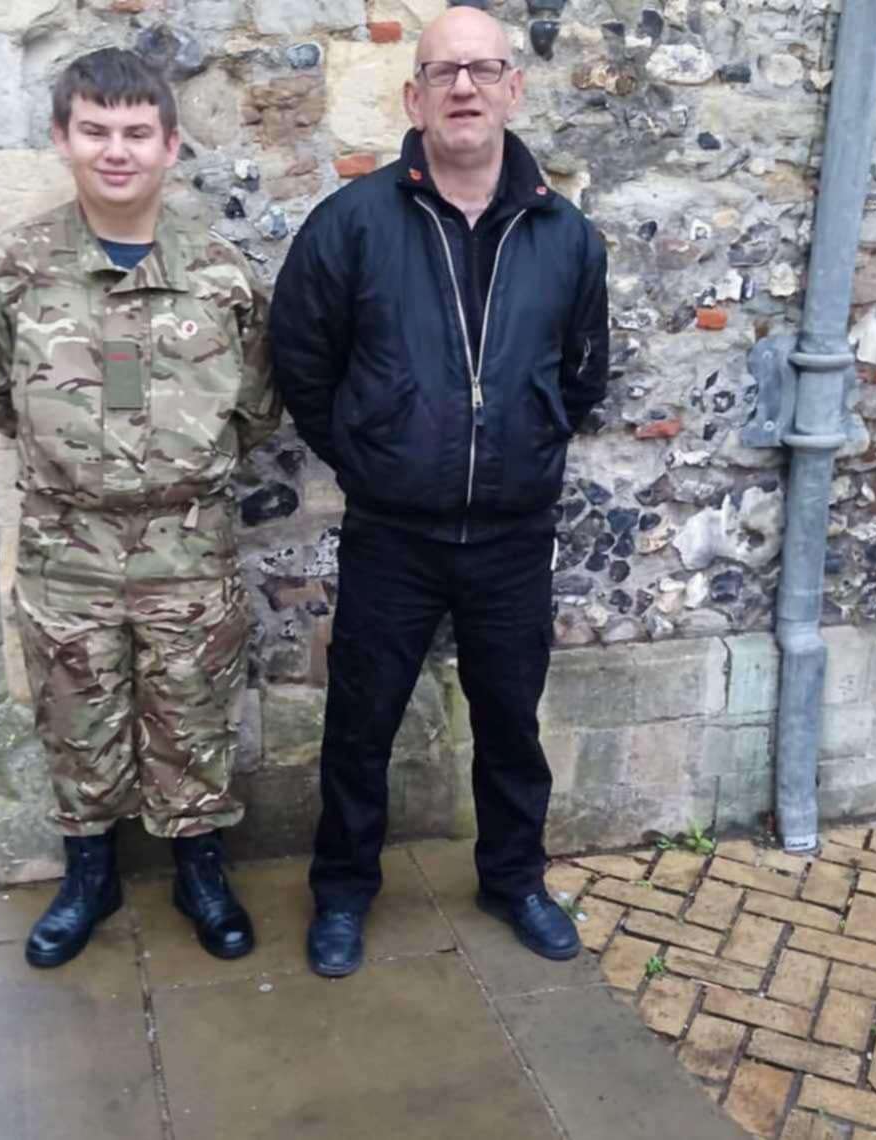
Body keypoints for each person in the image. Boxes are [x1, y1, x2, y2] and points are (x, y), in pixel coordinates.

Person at [271, 6, 609, 978]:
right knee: (360, 724)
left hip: (510, 537)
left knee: (511, 723)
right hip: (392, 533)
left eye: (481, 69)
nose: (462, 87)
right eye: (441, 72)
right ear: (413, 97)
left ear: (513, 87)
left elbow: (584, 370)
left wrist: (531, 439)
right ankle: (341, 894)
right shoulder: (352, 225)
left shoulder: (565, 236)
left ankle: (513, 880)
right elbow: (300, 358)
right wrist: (369, 451)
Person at [0, 48, 280, 968]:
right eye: (94, 131)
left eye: (136, 133)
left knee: (193, 714)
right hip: (69, 551)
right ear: (63, 138)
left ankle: (199, 871)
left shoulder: (221, 277)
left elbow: (257, 407)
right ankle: (87, 876)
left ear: (170, 146)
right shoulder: (15, 273)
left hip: (189, 550)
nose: (116, 151)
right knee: (75, 716)